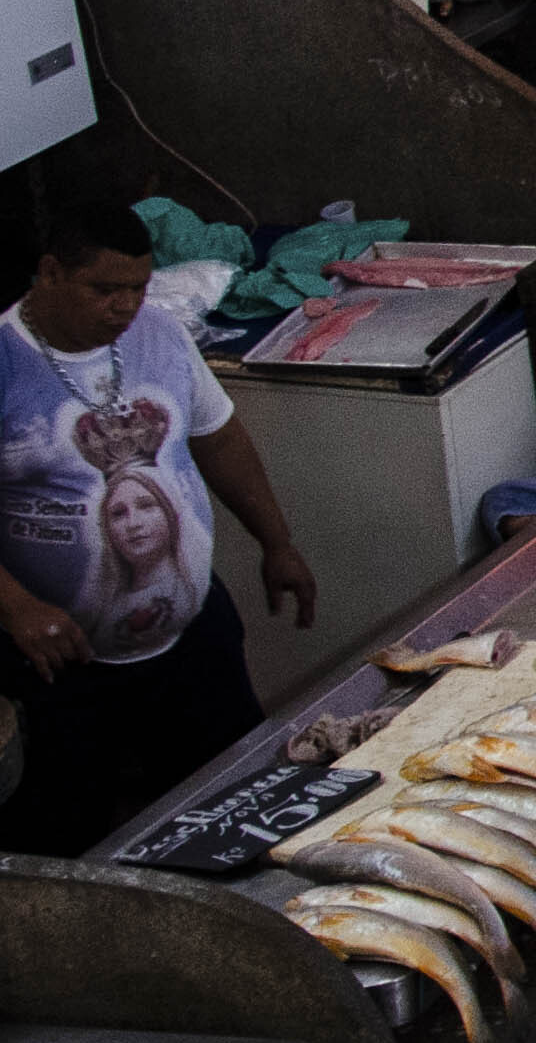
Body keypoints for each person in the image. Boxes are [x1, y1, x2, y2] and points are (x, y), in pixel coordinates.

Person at [0, 202, 319, 856]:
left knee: (248, 803)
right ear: (50, 273)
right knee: (72, 836)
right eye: (104, 290)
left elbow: (219, 437)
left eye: (138, 288)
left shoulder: (161, 334)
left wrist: (276, 541)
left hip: (192, 638)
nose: (124, 307)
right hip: (63, 666)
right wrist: (18, 606)